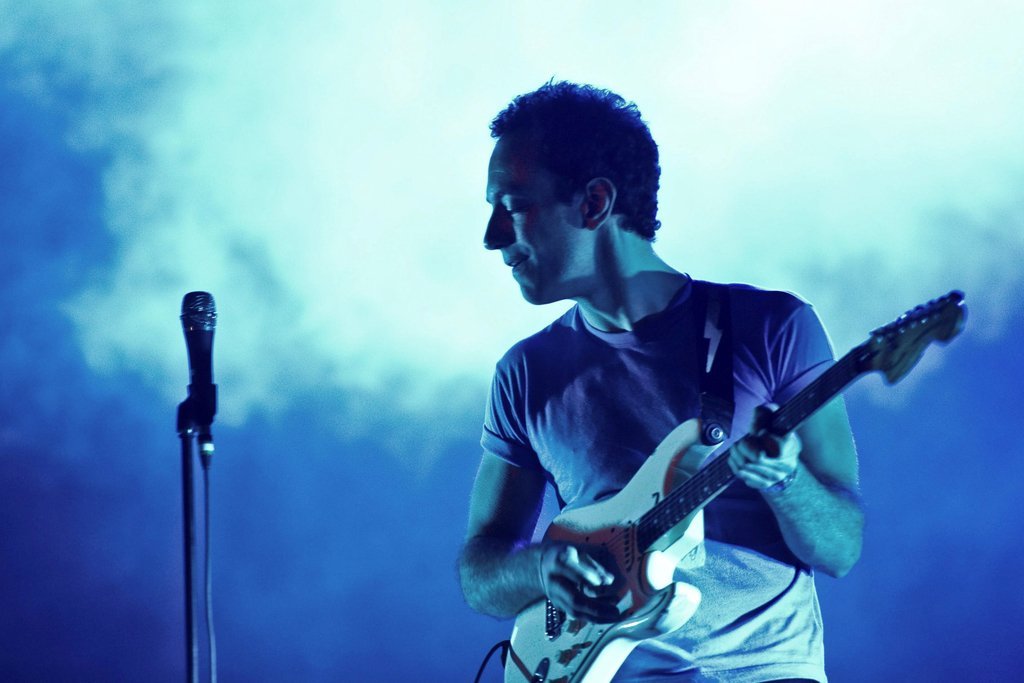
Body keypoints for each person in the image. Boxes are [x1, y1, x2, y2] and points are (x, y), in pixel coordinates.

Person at [458, 81, 863, 682]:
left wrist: (785, 479)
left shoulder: (773, 327)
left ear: (594, 202)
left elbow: (841, 549)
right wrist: (540, 568)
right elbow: (481, 571)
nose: (492, 237)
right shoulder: (524, 373)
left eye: (513, 206)